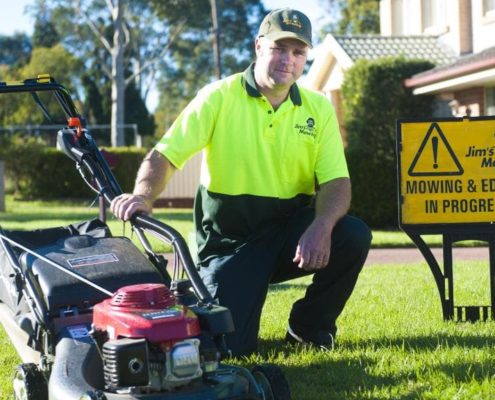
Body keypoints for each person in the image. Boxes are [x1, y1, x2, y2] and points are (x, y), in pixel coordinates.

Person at [111, 8, 372, 356]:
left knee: (352, 234)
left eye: (298, 52)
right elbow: (166, 155)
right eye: (280, 48)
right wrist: (143, 196)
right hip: (229, 243)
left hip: (286, 237)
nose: (288, 60)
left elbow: (336, 182)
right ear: (259, 46)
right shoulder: (218, 96)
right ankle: (209, 288)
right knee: (229, 349)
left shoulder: (318, 108)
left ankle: (309, 329)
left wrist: (322, 225)